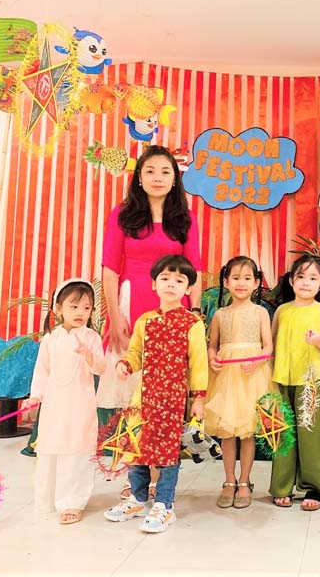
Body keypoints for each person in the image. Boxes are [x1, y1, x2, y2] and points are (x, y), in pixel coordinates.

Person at [99, 145, 203, 499]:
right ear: (139, 177)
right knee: (133, 396)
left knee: (167, 398)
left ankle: (161, 476)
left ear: (175, 179)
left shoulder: (186, 219)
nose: (158, 178)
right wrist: (115, 316)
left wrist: (195, 314)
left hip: (175, 311)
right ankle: (135, 478)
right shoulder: (122, 214)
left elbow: (195, 270)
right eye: (150, 171)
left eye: (165, 171)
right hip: (132, 306)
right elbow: (110, 269)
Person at [103, 255, 208, 533]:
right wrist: (125, 365)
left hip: (173, 399)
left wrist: (199, 398)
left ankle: (164, 505)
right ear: (154, 284)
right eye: (165, 278)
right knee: (136, 448)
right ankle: (138, 499)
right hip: (143, 398)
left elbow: (199, 363)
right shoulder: (145, 321)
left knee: (167, 454)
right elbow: (136, 353)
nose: (171, 284)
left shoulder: (192, 323)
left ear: (188, 288)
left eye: (179, 280)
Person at [26, 279, 106, 524]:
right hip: (54, 404)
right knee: (51, 446)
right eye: (74, 306)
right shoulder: (51, 339)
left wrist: (89, 356)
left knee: (76, 447)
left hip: (81, 403)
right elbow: (42, 371)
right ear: (58, 308)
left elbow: (101, 368)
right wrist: (35, 396)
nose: (81, 312)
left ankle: (72, 501)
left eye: (86, 307)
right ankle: (47, 498)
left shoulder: (92, 337)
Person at [269, 255, 320, 511]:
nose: (306, 282)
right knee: (284, 434)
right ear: (291, 280)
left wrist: (318, 339)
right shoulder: (282, 311)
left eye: (312, 278)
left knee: (313, 436)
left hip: (312, 381)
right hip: (282, 378)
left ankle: (316, 487)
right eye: (300, 276)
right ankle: (282, 486)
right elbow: (271, 344)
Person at [205, 256, 274, 510]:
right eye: (235, 278)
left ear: (256, 283)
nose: (241, 283)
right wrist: (212, 358)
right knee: (227, 431)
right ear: (226, 282)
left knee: (247, 431)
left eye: (247, 278)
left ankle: (245, 480)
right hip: (226, 377)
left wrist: (257, 360)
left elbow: (268, 347)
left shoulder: (260, 312)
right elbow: (212, 346)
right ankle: (229, 480)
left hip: (252, 377)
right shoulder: (220, 315)